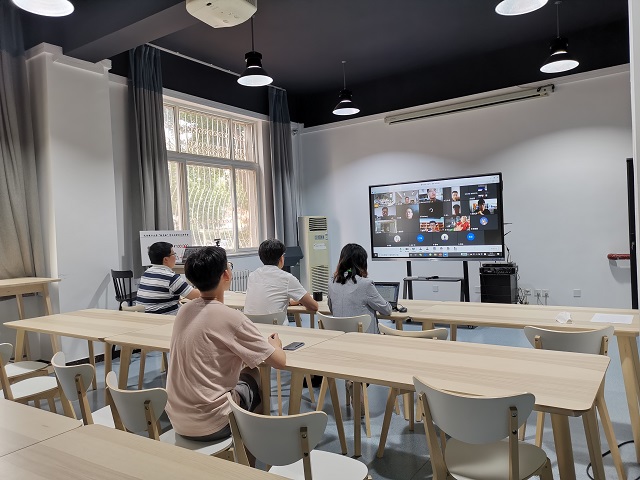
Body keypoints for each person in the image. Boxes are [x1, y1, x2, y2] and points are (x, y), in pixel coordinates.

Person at [165, 246, 286, 444]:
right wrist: (277, 345)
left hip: (177, 419)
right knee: (254, 373)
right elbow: (279, 362)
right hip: (213, 423)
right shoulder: (232, 318)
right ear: (226, 274)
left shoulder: (184, 311)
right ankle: (253, 447)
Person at [244, 239, 318, 319]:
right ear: (281, 258)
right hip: (276, 325)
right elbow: (313, 306)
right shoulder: (287, 278)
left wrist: (290, 302)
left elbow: (269, 299)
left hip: (252, 325)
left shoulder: (253, 275)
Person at [328, 243, 392, 334]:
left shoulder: (332, 282)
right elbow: (387, 310)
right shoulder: (366, 284)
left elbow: (332, 309)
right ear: (362, 263)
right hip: (364, 339)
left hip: (340, 337)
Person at [136, 242, 200, 314]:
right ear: (166, 259)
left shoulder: (147, 273)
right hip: (164, 317)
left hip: (145, 316)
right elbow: (197, 296)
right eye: (174, 254)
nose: (176, 257)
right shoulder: (170, 277)